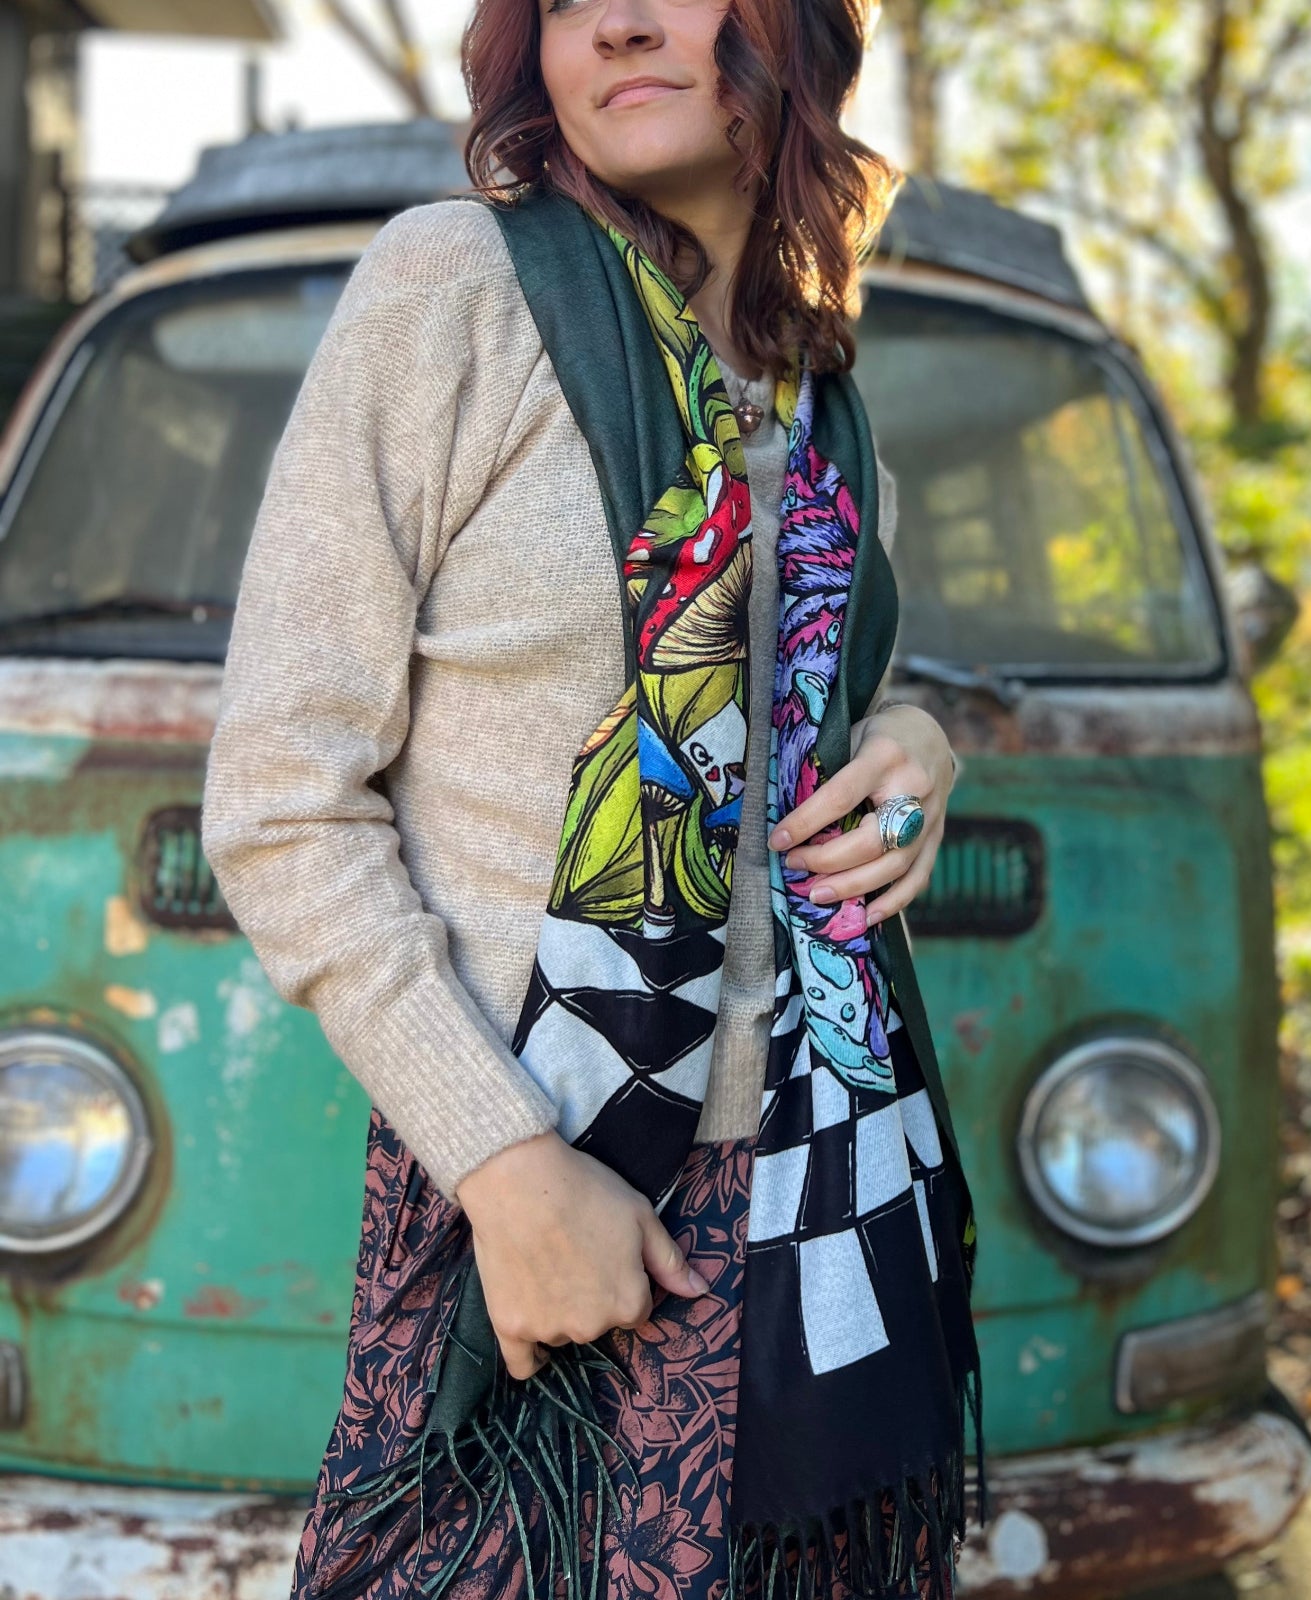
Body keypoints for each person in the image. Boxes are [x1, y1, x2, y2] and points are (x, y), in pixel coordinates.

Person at [201, 1, 983, 1596]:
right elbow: (282, 795)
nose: (616, 18)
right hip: (549, 1196)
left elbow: (794, 694)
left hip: (827, 1192)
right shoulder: (457, 288)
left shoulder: (819, 377)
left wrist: (914, 735)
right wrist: (502, 1166)